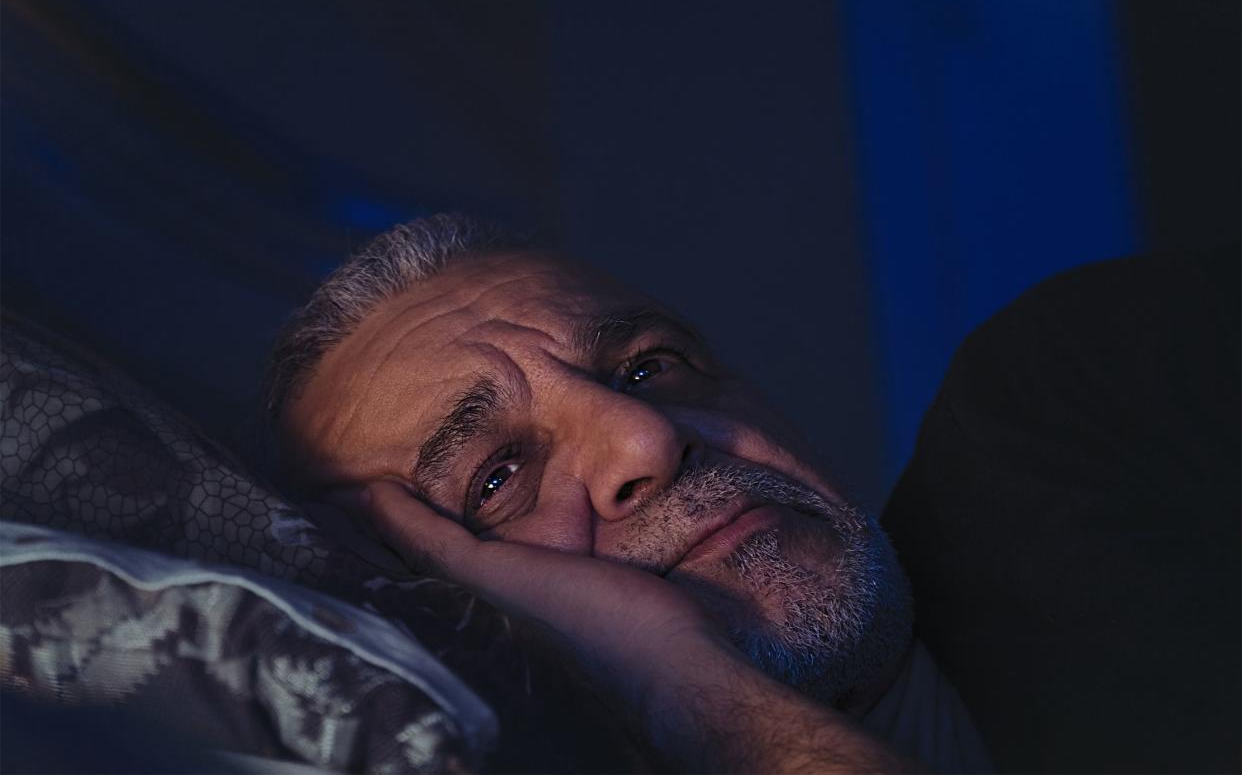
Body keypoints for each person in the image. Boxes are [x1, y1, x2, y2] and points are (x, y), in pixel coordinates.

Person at [265, 214, 990, 773]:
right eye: (498, 478)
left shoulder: (1050, 431)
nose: (647, 440)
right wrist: (676, 682)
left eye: (647, 369)